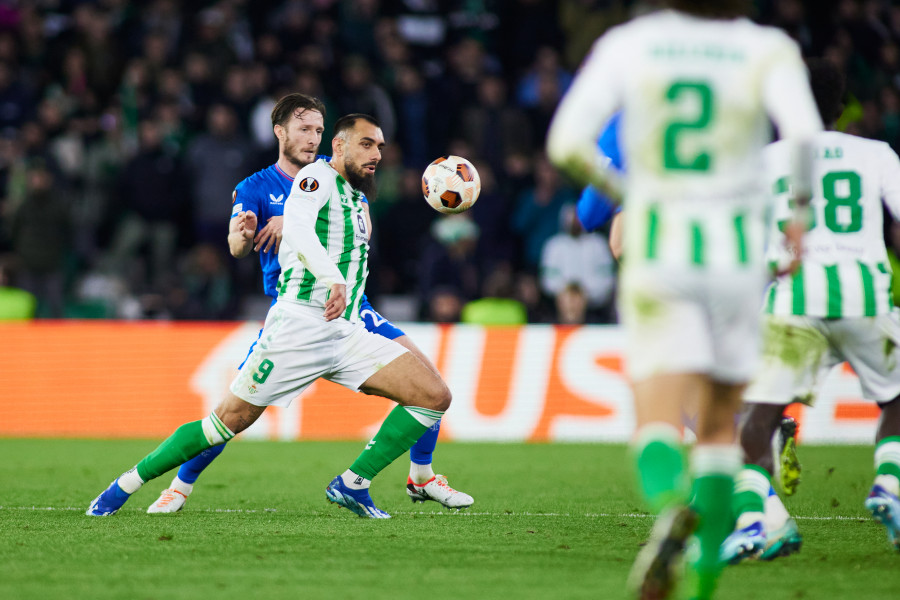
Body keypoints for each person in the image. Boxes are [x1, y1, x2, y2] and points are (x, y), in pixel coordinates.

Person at [546, 1, 822, 598]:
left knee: (659, 418)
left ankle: (672, 505)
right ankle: (702, 584)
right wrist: (798, 216)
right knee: (721, 425)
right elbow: (803, 136)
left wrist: (632, 192)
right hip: (737, 251)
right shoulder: (765, 47)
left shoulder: (631, 44)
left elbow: (566, 143)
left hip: (659, 246)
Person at [88, 114, 459, 520]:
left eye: (381, 147)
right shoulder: (314, 179)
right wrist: (332, 278)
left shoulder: (356, 196)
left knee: (433, 396)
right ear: (339, 146)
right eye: (367, 144)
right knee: (223, 424)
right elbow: (297, 228)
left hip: (346, 328)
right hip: (298, 329)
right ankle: (125, 486)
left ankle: (354, 482)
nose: (376, 155)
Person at [722, 59, 900, 562]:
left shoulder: (765, 160)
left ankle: (753, 522)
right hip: (864, 296)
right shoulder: (876, 154)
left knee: (757, 421)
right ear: (842, 108)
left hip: (793, 303)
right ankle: (889, 482)